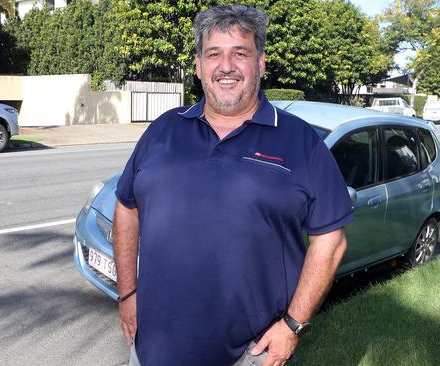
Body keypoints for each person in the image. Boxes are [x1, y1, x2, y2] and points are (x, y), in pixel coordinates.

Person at [113, 4, 354, 366]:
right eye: (214, 55)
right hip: (151, 349)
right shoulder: (162, 130)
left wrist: (293, 324)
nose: (226, 66)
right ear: (198, 65)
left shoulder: (300, 142)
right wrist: (127, 293)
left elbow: (331, 240)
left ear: (260, 63)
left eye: (240, 53)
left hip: (250, 355)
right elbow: (126, 207)